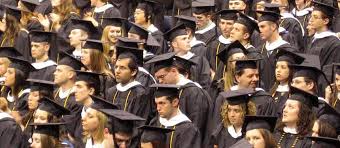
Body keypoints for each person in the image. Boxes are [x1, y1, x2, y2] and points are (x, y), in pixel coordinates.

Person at [146, 52, 212, 145]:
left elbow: (197, 127)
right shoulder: (165, 91)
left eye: (162, 77)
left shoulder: (194, 93)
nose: (160, 81)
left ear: (173, 71)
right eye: (157, 78)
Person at [149, 84, 201, 148]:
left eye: (162, 103)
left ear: (175, 102)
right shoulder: (155, 123)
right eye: (156, 103)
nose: (158, 108)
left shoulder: (188, 130)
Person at [256, 10, 295, 91]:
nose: (259, 30)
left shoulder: (288, 50)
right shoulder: (259, 50)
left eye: (262, 26)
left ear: (273, 27)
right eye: (259, 27)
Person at [106, 48, 149, 120]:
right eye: (116, 67)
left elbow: (139, 122)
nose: (117, 71)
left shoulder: (140, 93)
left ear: (133, 72)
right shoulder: (111, 91)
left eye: (122, 68)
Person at [164, 23, 211, 90]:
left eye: (188, 38)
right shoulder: (167, 62)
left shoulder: (200, 60)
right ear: (174, 44)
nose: (188, 41)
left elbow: (206, 84)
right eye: (184, 39)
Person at [54, 51, 84, 141]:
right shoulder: (53, 93)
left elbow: (69, 129)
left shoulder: (77, 100)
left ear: (70, 74)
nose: (54, 73)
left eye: (59, 70)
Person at [270, 49, 305, 117]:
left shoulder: (295, 92)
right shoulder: (272, 91)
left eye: (283, 67)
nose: (278, 70)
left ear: (291, 70)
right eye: (276, 67)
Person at [307, 0, 340, 67]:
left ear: (326, 21)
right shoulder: (313, 39)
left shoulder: (334, 43)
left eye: (315, 17)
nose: (311, 20)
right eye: (311, 16)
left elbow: (330, 70)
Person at [208, 9, 238, 77]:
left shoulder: (238, 46)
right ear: (219, 24)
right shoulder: (212, 45)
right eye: (222, 23)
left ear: (235, 25)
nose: (225, 27)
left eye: (229, 23)